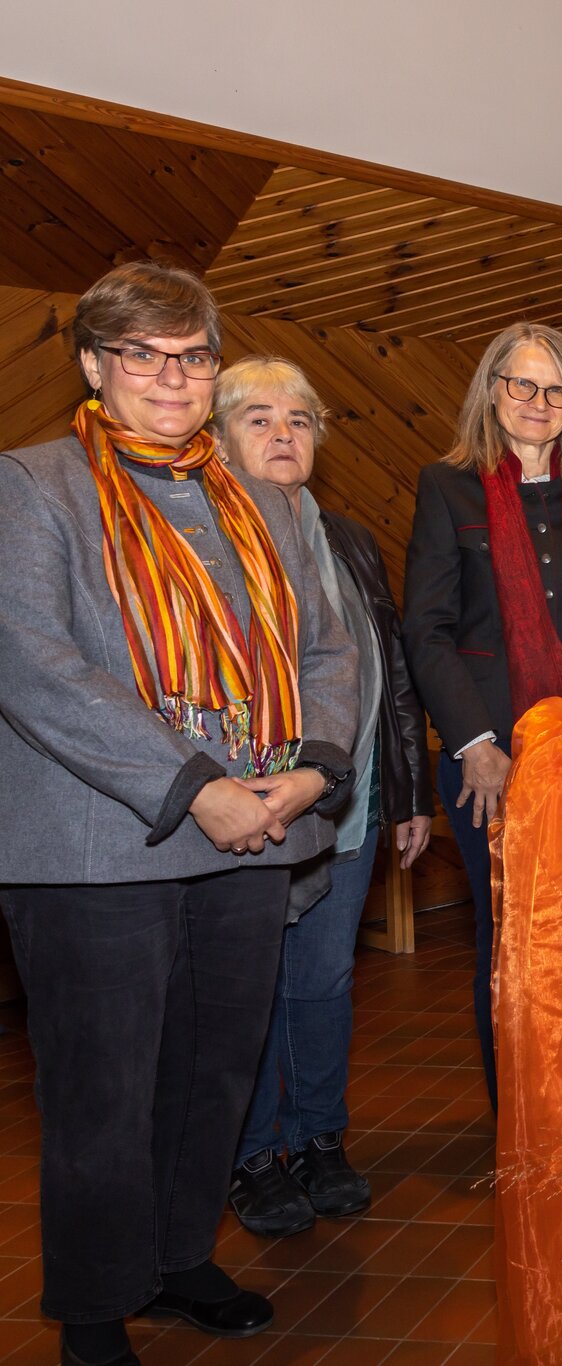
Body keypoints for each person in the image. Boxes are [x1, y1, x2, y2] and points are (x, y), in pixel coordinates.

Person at [0, 263, 359, 1363]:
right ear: (96, 367)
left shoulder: (264, 497)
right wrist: (193, 784)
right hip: (99, 840)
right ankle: (96, 1309)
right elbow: (33, 661)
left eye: (191, 355)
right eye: (143, 355)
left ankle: (177, 1256)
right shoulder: (34, 483)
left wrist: (312, 769)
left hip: (257, 827)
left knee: (215, 1069)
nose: (171, 376)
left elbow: (328, 648)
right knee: (104, 1090)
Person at [212, 358, 434, 1240]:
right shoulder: (206, 542)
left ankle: (318, 1139)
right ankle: (253, 1154)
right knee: (252, 989)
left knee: (325, 983)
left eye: (299, 420)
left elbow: (391, 668)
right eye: (258, 418)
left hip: (350, 805)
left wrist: (407, 792)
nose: (282, 435)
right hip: (253, 811)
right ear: (219, 438)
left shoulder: (344, 536)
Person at [402, 322, 562, 1109]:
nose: (539, 403)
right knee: (509, 942)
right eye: (523, 385)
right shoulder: (449, 487)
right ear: (493, 391)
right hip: (491, 759)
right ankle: (518, 1117)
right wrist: (476, 743)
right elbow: (428, 630)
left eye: (556, 389)